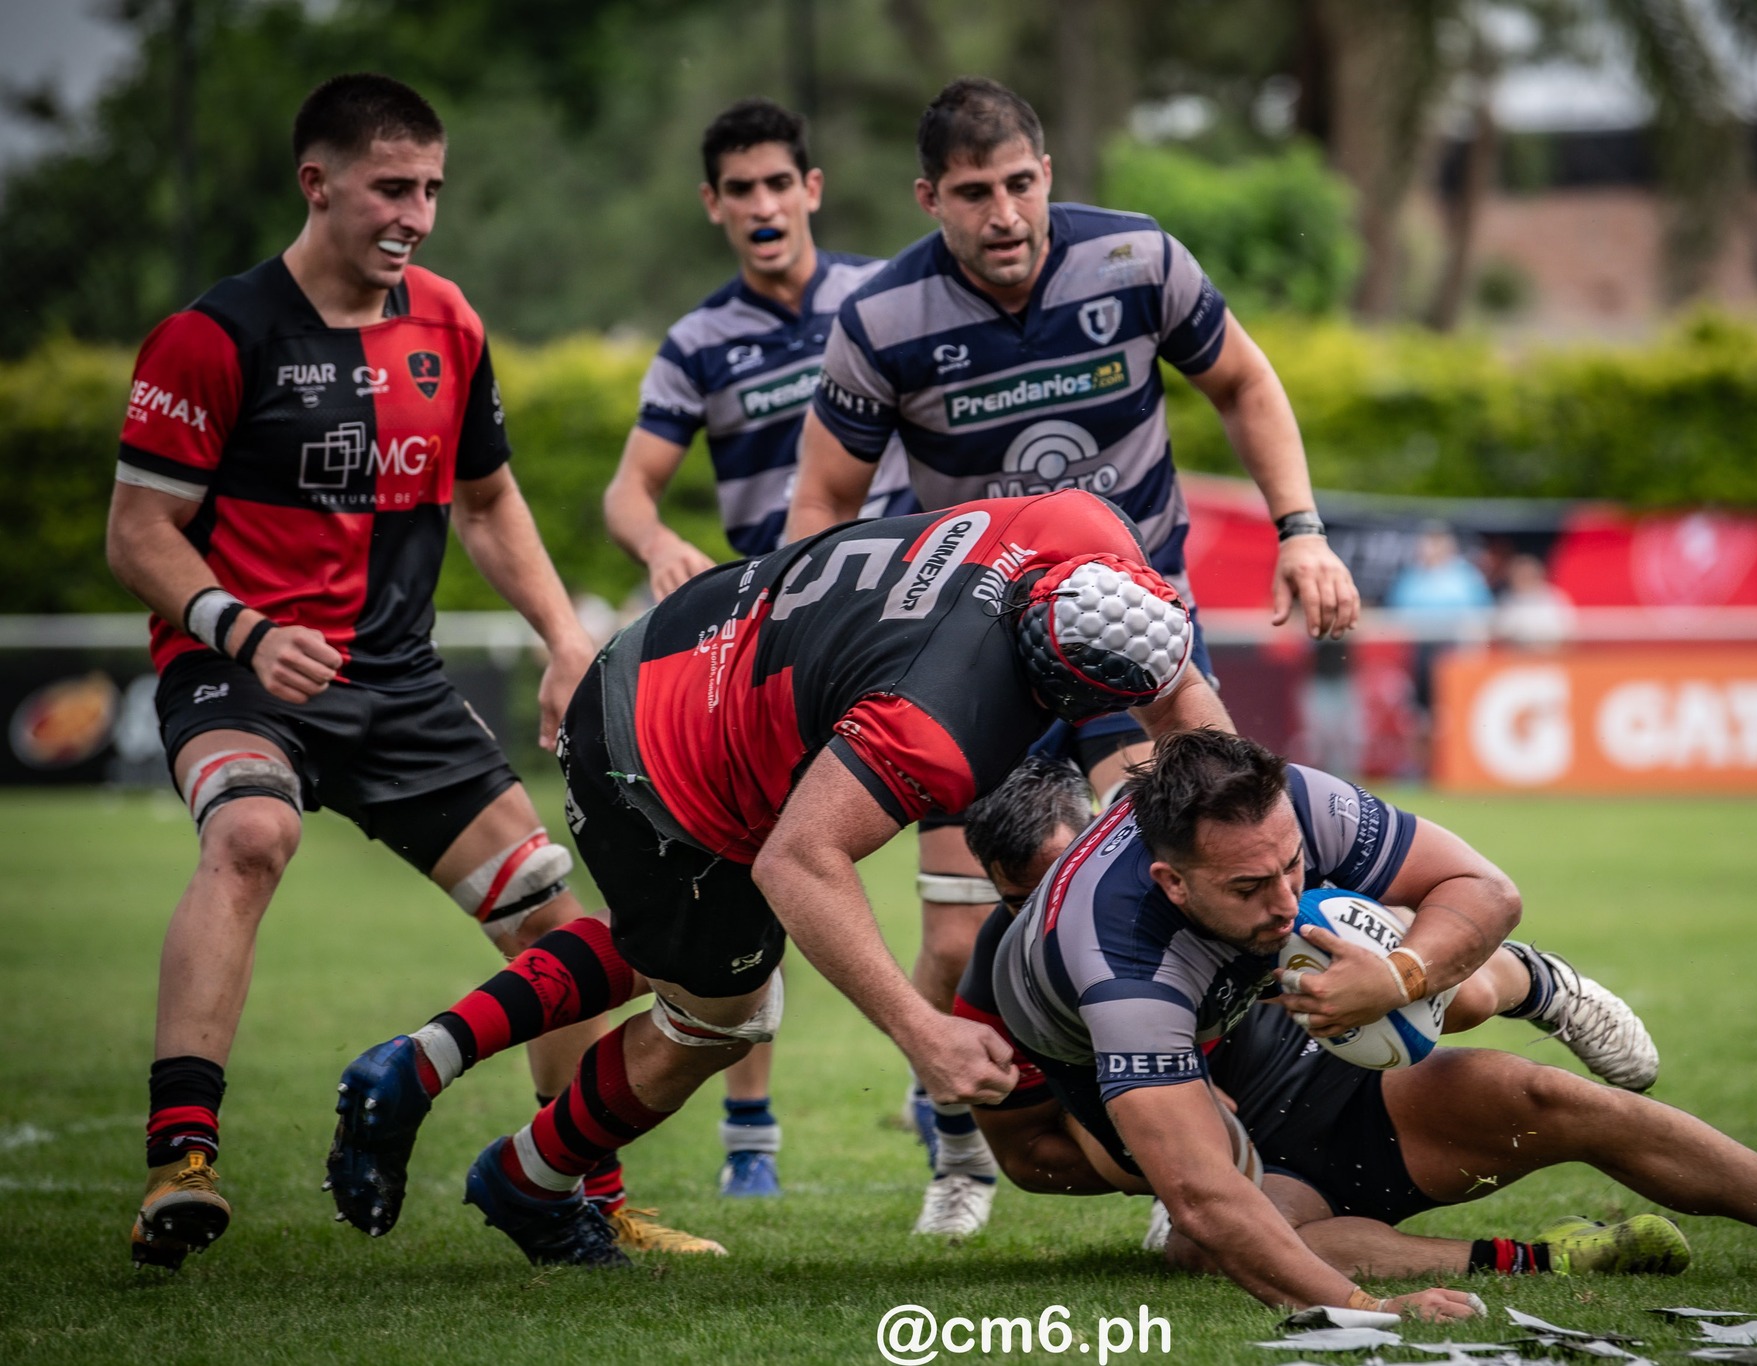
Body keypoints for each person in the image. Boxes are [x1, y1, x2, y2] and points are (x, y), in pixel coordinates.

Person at [105, 74, 710, 1269]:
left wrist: (564, 637)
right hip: (241, 672)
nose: (416, 215)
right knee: (251, 833)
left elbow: (487, 502)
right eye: (391, 187)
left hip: (396, 683)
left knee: (554, 917)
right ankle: (182, 1160)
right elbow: (136, 534)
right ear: (316, 182)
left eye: (430, 189)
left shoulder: (446, 322)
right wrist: (241, 629)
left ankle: (576, 1195)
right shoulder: (212, 337)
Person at [326, 489, 1230, 1267]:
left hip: (688, 646)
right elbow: (798, 862)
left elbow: (1179, 692)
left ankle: (419, 1063)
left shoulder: (1083, 527)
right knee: (725, 1014)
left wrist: (1246, 839)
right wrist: (922, 1033)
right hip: (663, 751)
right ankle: (526, 1178)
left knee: (667, 942)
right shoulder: (940, 720)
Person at [784, 75, 1361, 1232]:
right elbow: (820, 508)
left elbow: (1242, 380)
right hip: (970, 653)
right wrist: (828, 663)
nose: (1002, 214)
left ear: (1046, 173)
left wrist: (1299, 529)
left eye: (1018, 184)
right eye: (971, 194)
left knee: (1176, 891)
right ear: (928, 198)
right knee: (960, 934)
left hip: (1130, 641)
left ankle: (1191, 1154)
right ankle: (958, 1154)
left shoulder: (1135, 258)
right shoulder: (881, 319)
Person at [957, 735, 1757, 1308]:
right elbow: (1207, 1195)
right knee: (1214, 1237)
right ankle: (1548, 1257)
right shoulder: (1119, 965)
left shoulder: (1293, 804)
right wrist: (1371, 1314)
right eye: (1250, 887)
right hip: (1215, 1113)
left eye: (1291, 865)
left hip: (1293, 1047)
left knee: (1538, 1092)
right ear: (1171, 881)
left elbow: (1486, 888)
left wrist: (1399, 975)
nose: (1285, 896)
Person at [601, 99, 921, 1199]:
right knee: (756, 864)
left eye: (778, 182)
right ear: (713, 206)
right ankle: (749, 1136)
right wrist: (657, 543)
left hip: (908, 610)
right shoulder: (698, 343)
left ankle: (956, 1094)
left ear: (811, 189)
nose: (762, 205)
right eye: (740, 189)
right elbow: (628, 492)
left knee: (974, 856)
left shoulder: (880, 297)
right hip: (775, 640)